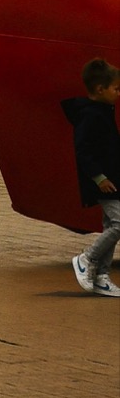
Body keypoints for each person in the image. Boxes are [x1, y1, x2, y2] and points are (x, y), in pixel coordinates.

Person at [63, 57, 120, 295]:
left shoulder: (103, 111)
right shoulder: (90, 115)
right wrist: (99, 178)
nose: (119, 93)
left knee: (111, 224)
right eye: (116, 88)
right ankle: (86, 259)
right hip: (104, 182)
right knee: (119, 224)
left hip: (113, 179)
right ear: (100, 89)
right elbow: (83, 150)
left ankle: (101, 276)